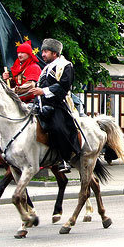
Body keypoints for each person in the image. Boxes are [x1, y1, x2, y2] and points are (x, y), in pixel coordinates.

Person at [29, 38, 80, 173]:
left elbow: (63, 86)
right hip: (41, 104)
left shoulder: (66, 65)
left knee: (58, 128)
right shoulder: (45, 68)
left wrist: (43, 91)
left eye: (46, 52)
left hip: (58, 104)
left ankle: (65, 158)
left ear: (55, 53)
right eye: (43, 51)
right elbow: (39, 85)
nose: (43, 54)